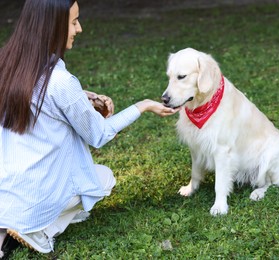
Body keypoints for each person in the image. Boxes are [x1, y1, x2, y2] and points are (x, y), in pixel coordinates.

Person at [0, 0, 178, 255]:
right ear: (52, 27)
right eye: (73, 22)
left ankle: (12, 225)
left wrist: (82, 96)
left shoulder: (7, 65)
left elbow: (36, 97)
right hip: (38, 191)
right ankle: (42, 231)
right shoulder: (60, 82)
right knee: (104, 179)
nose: (79, 28)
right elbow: (100, 135)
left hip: (6, 185)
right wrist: (143, 106)